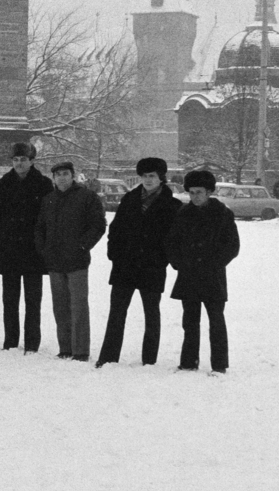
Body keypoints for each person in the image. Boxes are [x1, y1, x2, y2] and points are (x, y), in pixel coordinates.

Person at [95, 158, 179, 368]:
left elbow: (174, 238)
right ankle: (108, 357)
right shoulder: (130, 199)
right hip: (125, 265)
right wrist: (114, 254)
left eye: (152, 176)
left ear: (161, 178)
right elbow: (115, 229)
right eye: (144, 176)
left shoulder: (173, 205)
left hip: (152, 267)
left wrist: (162, 259)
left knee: (151, 314)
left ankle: (149, 359)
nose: (148, 180)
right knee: (116, 313)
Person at [166, 170, 241, 375]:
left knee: (216, 320)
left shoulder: (222, 214)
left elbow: (232, 246)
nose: (195, 196)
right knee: (189, 321)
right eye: (191, 192)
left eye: (199, 192)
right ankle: (189, 361)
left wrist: (215, 264)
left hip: (212, 276)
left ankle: (219, 364)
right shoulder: (183, 213)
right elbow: (172, 242)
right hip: (188, 274)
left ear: (209, 192)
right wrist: (178, 263)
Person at [33, 161, 106, 361]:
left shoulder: (87, 197)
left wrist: (82, 246)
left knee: (79, 306)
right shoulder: (49, 199)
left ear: (72, 176)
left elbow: (98, 225)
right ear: (53, 178)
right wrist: (43, 249)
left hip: (77, 261)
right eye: (58, 175)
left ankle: (81, 350)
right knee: (60, 306)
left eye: (65, 173)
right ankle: (65, 347)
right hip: (55, 261)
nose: (62, 177)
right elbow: (40, 227)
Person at [0, 141, 53, 353]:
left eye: (23, 160)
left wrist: (41, 240)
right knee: (10, 300)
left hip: (34, 250)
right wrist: (2, 237)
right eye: (15, 160)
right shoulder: (4, 183)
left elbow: (48, 216)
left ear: (32, 161)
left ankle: (32, 343)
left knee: (33, 301)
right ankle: (11, 341)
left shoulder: (43, 184)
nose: (19, 164)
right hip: (11, 249)